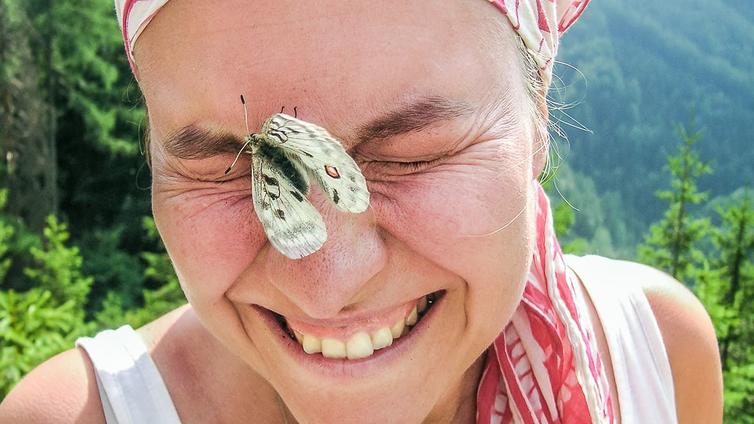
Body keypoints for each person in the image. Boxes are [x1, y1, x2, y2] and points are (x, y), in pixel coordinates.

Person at [0, 0, 723, 422]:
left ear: (537, 117)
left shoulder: (659, 357)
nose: (328, 280)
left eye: (413, 156)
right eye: (223, 164)